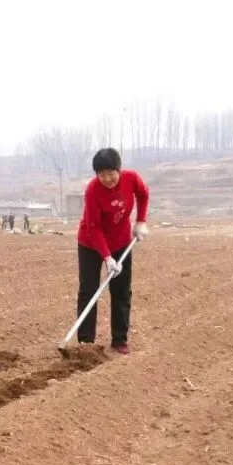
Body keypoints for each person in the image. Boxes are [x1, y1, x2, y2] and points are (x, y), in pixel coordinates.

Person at [76, 147, 149, 354]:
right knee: (88, 290)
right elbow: (94, 227)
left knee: (121, 290)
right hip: (91, 243)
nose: (107, 179)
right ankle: (86, 342)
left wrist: (141, 221)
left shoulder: (132, 178)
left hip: (121, 241)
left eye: (111, 173)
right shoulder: (93, 190)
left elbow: (143, 194)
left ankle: (119, 339)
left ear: (119, 169)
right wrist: (107, 258)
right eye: (102, 175)